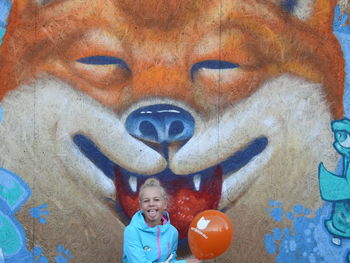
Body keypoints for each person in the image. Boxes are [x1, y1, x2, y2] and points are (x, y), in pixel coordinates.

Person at [123, 178, 201, 263]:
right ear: (141, 205)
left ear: (165, 204)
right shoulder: (132, 231)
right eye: (146, 201)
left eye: (156, 200)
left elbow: (170, 260)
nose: (151, 204)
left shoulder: (172, 232)